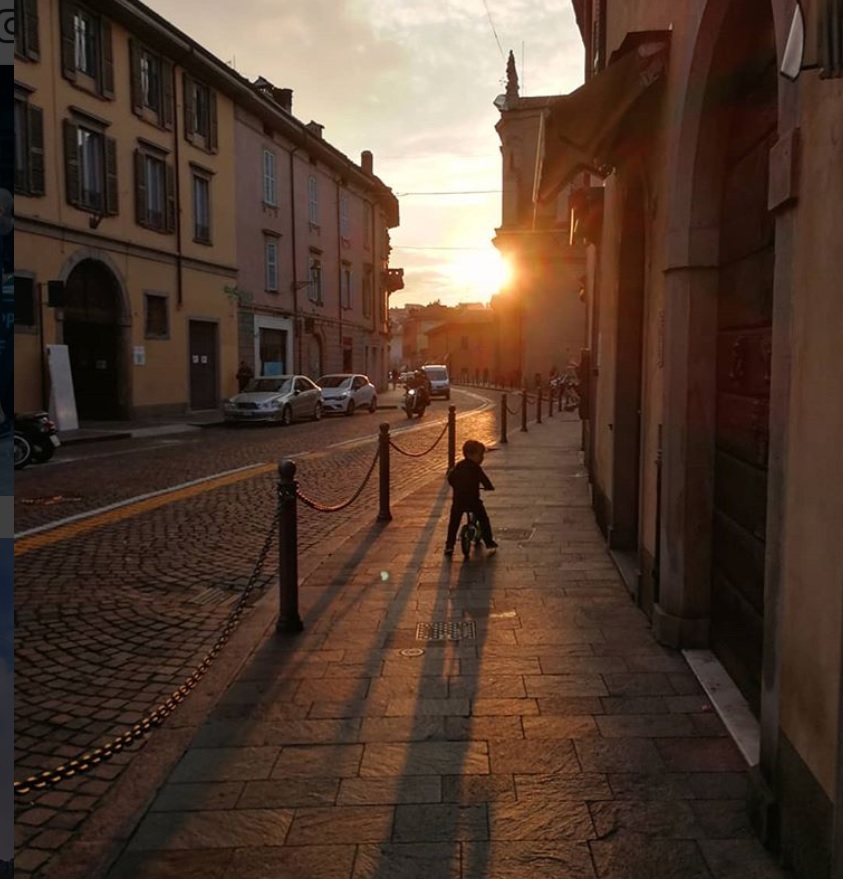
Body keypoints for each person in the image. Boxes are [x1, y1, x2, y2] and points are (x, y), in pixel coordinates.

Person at [444, 439, 498, 556]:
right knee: (483, 519)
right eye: (480, 455)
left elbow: (450, 477)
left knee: (454, 522)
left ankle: (449, 545)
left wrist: (456, 486)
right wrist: (489, 487)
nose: (482, 458)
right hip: (473, 501)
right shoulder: (476, 468)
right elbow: (484, 480)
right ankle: (489, 541)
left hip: (458, 501)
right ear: (470, 455)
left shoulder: (459, 465)